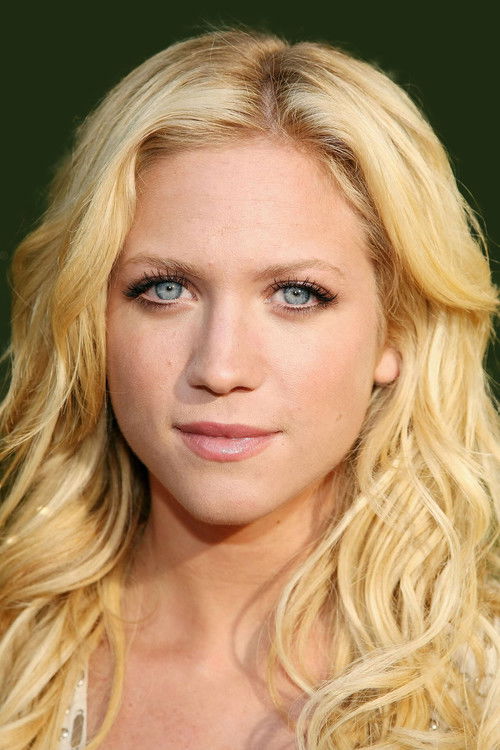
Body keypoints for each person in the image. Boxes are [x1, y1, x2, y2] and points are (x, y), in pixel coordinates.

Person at [0, 26, 498, 750]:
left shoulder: (480, 695)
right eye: (164, 288)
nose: (222, 366)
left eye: (296, 294)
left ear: (396, 329)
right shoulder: (11, 668)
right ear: (92, 317)